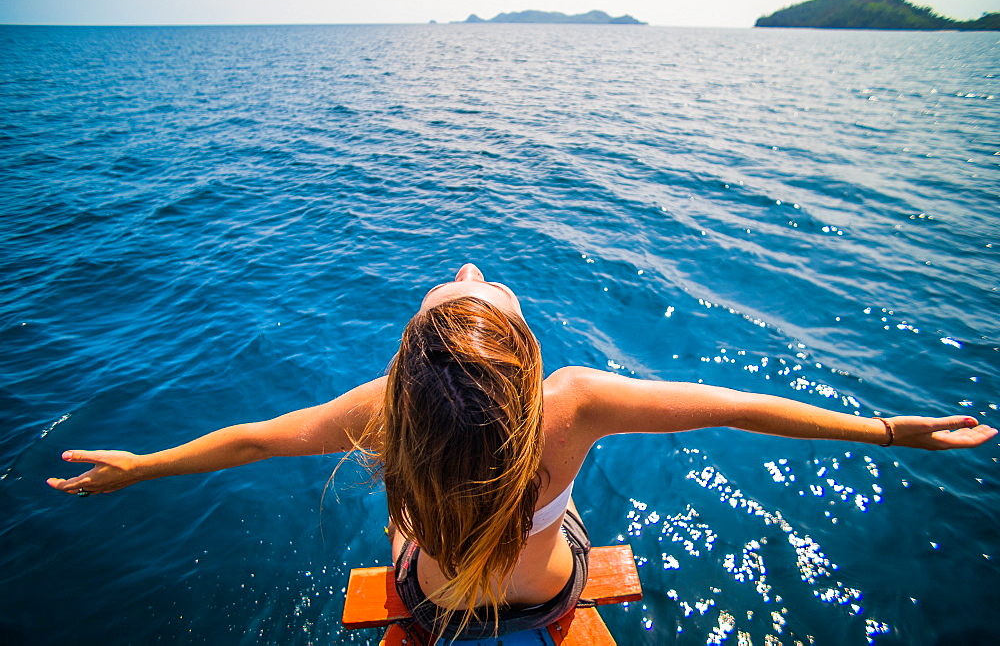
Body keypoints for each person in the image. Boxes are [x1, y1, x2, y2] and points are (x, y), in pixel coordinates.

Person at [47, 263, 996, 641]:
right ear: (523, 353)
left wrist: (143, 465)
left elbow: (252, 440)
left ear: (411, 366)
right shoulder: (570, 402)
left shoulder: (387, 411)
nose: (469, 273)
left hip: (428, 600)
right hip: (550, 599)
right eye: (470, 289)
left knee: (416, 505)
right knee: (555, 505)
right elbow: (739, 408)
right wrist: (885, 429)